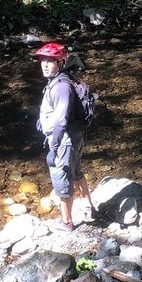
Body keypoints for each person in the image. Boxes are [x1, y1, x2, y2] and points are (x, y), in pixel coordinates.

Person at [34, 42, 95, 232]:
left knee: (62, 177)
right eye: (43, 60)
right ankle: (89, 207)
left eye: (50, 61)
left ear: (60, 63)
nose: (45, 65)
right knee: (76, 171)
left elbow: (60, 121)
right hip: (75, 136)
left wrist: (53, 148)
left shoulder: (61, 86)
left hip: (64, 140)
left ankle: (66, 222)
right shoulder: (64, 79)